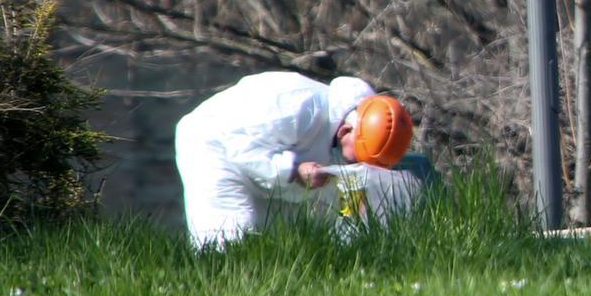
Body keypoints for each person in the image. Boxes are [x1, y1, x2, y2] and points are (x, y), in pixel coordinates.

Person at [174, 72, 413, 247]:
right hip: (214, 143)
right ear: (344, 132)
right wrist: (293, 171)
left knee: (280, 237)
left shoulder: (347, 133)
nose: (357, 166)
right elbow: (241, 149)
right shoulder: (298, 108)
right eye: (358, 160)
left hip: (263, 159)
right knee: (230, 237)